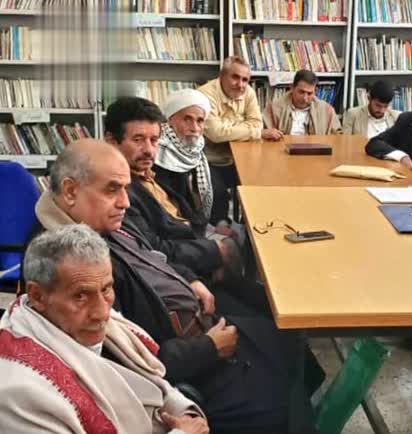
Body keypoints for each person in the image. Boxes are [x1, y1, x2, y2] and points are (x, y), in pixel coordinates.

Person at [29, 139, 317, 433]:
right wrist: (207, 349)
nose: (125, 202)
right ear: (70, 191)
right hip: (184, 366)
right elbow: (112, 365)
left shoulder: (100, 221)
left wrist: (189, 278)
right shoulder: (70, 266)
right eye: (112, 189)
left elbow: (154, 254)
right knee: (281, 402)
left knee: (291, 342)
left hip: (197, 325)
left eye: (126, 189)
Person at [1, 224, 209, 434]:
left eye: (106, 288)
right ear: (37, 296)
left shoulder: (84, 324)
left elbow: (156, 384)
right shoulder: (20, 394)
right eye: (80, 296)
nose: (102, 313)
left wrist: (185, 414)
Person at [104, 96, 239, 282]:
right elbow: (151, 251)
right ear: (112, 141)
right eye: (138, 140)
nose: (149, 150)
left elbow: (184, 214)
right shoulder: (118, 192)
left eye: (154, 140)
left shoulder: (147, 172)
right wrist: (213, 251)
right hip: (181, 272)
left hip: (195, 244)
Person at [198, 56, 271, 224]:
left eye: (245, 79)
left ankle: (250, 224)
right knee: (219, 193)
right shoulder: (204, 95)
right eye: (235, 77)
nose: (241, 84)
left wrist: (227, 128)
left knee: (261, 185)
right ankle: (221, 227)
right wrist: (253, 131)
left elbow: (257, 123)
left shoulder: (248, 92)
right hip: (210, 159)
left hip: (242, 158)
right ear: (221, 76)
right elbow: (216, 133)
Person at [153, 88, 214, 228]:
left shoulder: (196, 150)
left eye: (200, 121)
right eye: (187, 119)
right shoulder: (158, 156)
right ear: (170, 120)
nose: (195, 128)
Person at [263, 69, 342, 138]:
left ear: (315, 91)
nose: (305, 98)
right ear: (292, 88)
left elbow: (338, 137)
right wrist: (264, 133)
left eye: (309, 93)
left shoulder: (327, 111)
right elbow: (260, 132)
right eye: (301, 92)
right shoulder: (273, 108)